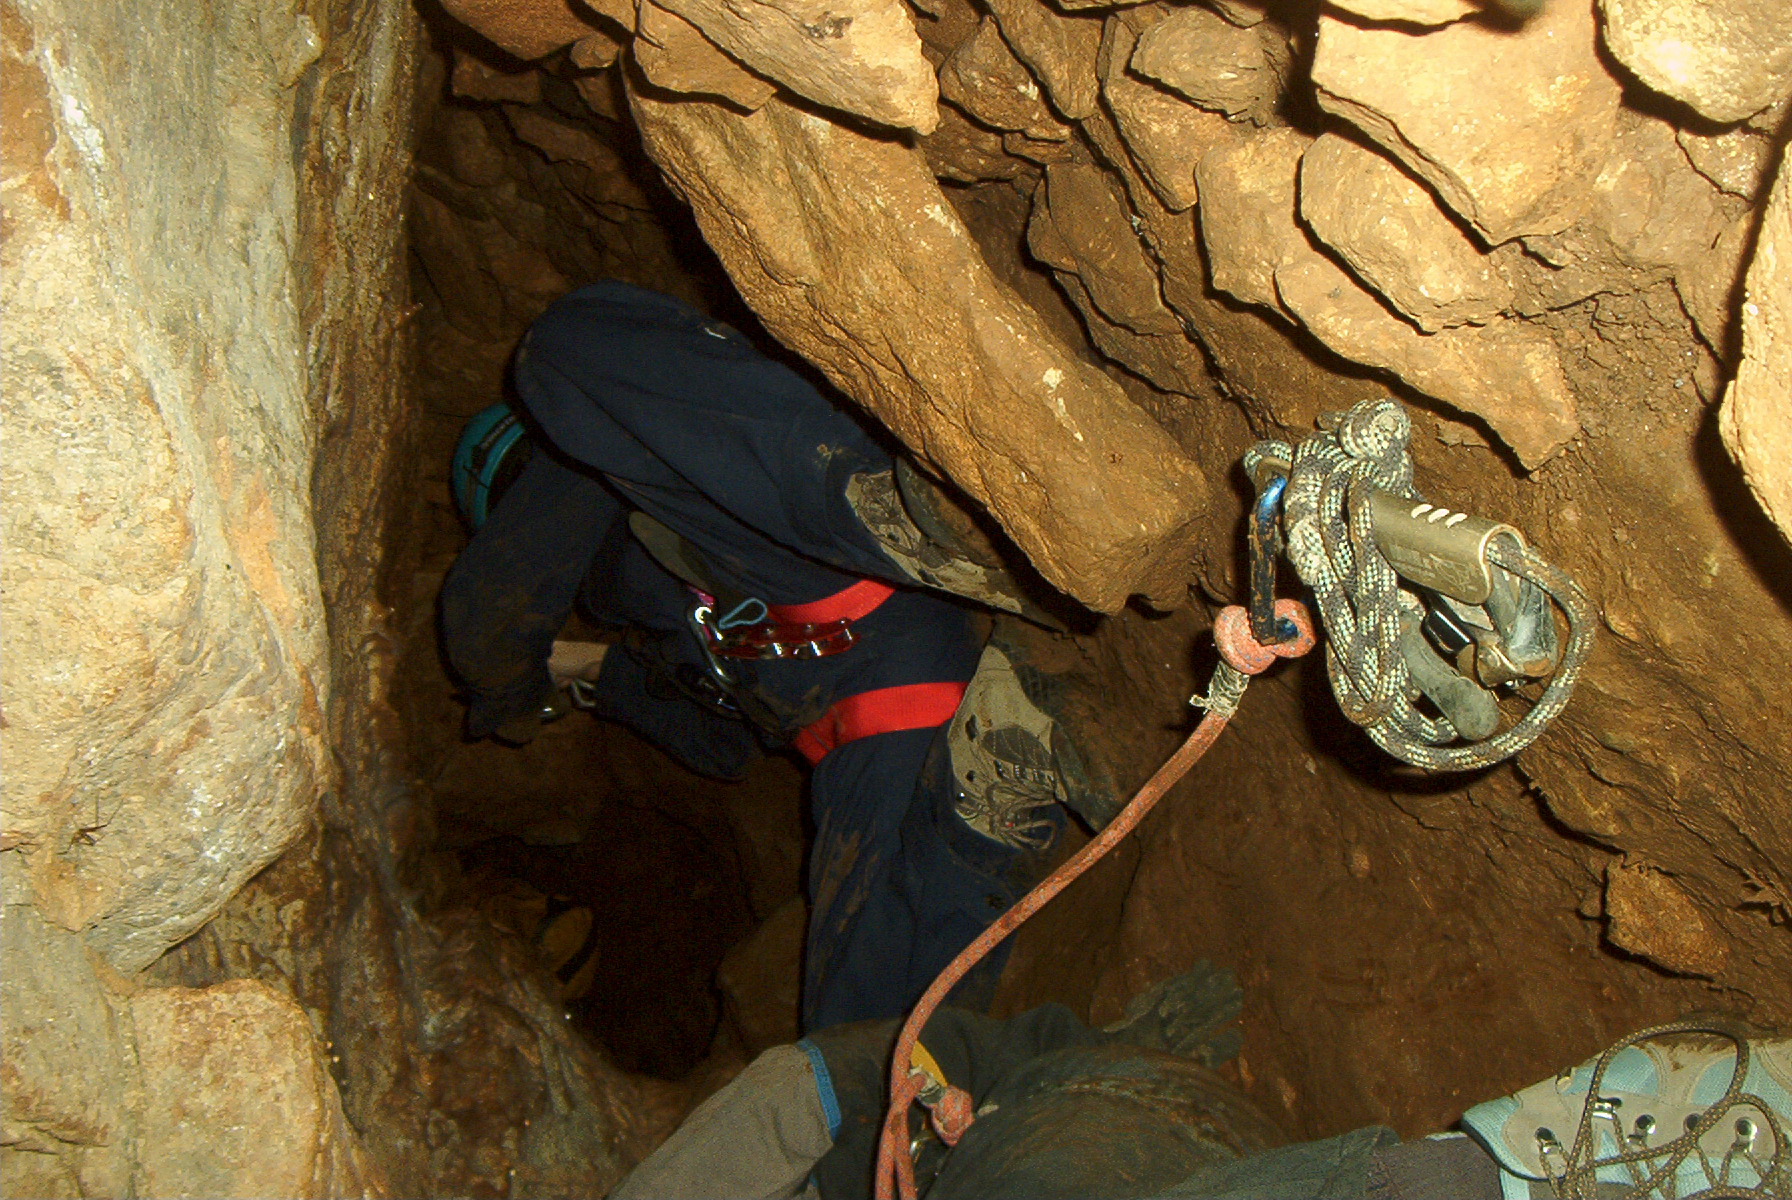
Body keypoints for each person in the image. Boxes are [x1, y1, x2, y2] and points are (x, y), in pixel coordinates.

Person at [439, 280, 1111, 1031]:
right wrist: (595, 671)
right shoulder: (658, 618)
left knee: (556, 350)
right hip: (882, 711)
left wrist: (508, 686)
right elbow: (722, 748)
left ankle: (886, 501)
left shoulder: (605, 445)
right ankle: (979, 810)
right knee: (859, 1040)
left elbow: (488, 616)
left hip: (843, 560)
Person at [610, 969, 1791, 1200]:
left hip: (1073, 1130)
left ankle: (1504, 1178)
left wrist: (915, 1104)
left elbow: (799, 1082)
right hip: (1215, 1141)